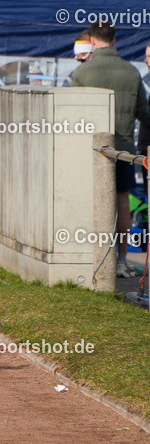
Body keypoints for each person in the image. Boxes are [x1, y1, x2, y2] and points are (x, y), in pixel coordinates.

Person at [72, 21, 149, 278]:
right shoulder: (132, 72)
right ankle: (121, 260)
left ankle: (90, 257)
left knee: (88, 201)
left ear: (93, 41)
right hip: (124, 148)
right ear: (114, 41)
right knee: (122, 201)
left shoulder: (82, 72)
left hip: (90, 148)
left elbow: (72, 113)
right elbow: (143, 113)